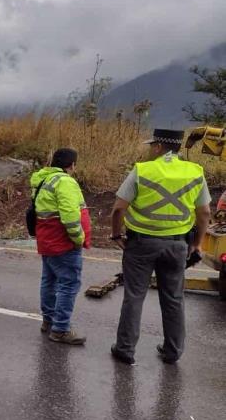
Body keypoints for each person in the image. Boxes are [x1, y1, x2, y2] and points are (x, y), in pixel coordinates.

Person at [110, 128, 211, 365]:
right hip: (177, 245)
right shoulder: (195, 172)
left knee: (134, 296)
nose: (149, 149)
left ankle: (125, 349)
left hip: (141, 244)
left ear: (158, 147)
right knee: (174, 298)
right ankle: (172, 351)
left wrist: (116, 235)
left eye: (151, 146)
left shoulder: (142, 170)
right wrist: (196, 244)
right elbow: (205, 212)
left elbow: (118, 209)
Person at [30, 148, 91, 344]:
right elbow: (70, 215)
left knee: (49, 280)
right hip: (63, 242)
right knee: (69, 283)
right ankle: (61, 328)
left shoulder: (43, 180)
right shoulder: (65, 181)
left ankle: (48, 321)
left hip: (46, 239)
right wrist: (78, 238)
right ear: (71, 165)